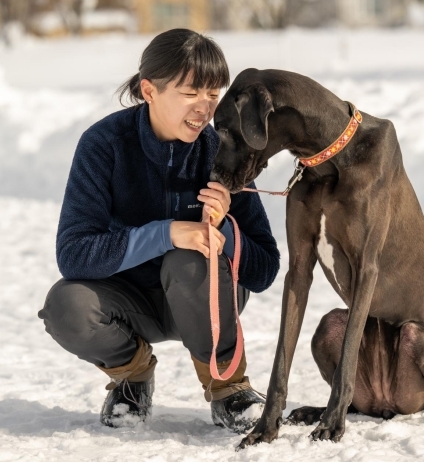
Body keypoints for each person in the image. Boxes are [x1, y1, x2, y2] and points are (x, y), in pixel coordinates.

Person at [38, 29, 280, 433]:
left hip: (204, 295)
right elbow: (74, 254)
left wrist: (229, 229)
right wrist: (166, 232)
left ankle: (229, 388)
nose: (206, 108)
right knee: (67, 306)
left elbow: (266, 269)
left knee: (191, 257)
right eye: (191, 93)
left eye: (213, 93)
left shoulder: (222, 151)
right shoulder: (104, 144)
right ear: (149, 90)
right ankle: (131, 377)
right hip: (128, 302)